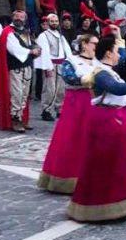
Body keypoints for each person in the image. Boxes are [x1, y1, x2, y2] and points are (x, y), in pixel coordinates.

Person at [67, 36, 126, 221]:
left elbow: (121, 62)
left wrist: (120, 37)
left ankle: (118, 207)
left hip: (115, 122)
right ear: (108, 53)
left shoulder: (108, 69)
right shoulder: (101, 73)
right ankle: (101, 207)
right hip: (107, 124)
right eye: (116, 51)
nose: (119, 55)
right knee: (105, 166)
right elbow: (116, 88)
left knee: (119, 166)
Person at [39, 33, 105, 194]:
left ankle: (91, 178)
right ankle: (66, 179)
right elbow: (69, 77)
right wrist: (90, 78)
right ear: (84, 44)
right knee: (72, 138)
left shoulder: (99, 62)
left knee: (93, 140)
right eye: (94, 43)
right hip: (76, 104)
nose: (96, 47)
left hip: (94, 102)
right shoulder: (72, 61)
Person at [0, 11, 40, 132]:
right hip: (15, 68)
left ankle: (21, 118)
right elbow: (14, 50)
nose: (19, 18)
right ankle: (15, 119)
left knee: (25, 94)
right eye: (17, 16)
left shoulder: (26, 31)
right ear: (12, 17)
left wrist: (36, 48)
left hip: (27, 67)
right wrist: (31, 52)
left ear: (25, 19)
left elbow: (31, 44)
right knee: (17, 94)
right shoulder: (8, 31)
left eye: (22, 17)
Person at [35, 13, 73, 121]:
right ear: (47, 22)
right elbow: (45, 53)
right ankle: (46, 110)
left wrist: (70, 63)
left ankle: (59, 109)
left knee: (61, 89)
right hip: (51, 64)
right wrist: (48, 67)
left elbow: (67, 50)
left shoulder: (60, 35)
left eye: (56, 21)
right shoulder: (44, 35)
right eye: (52, 21)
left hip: (61, 64)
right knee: (49, 89)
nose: (54, 23)